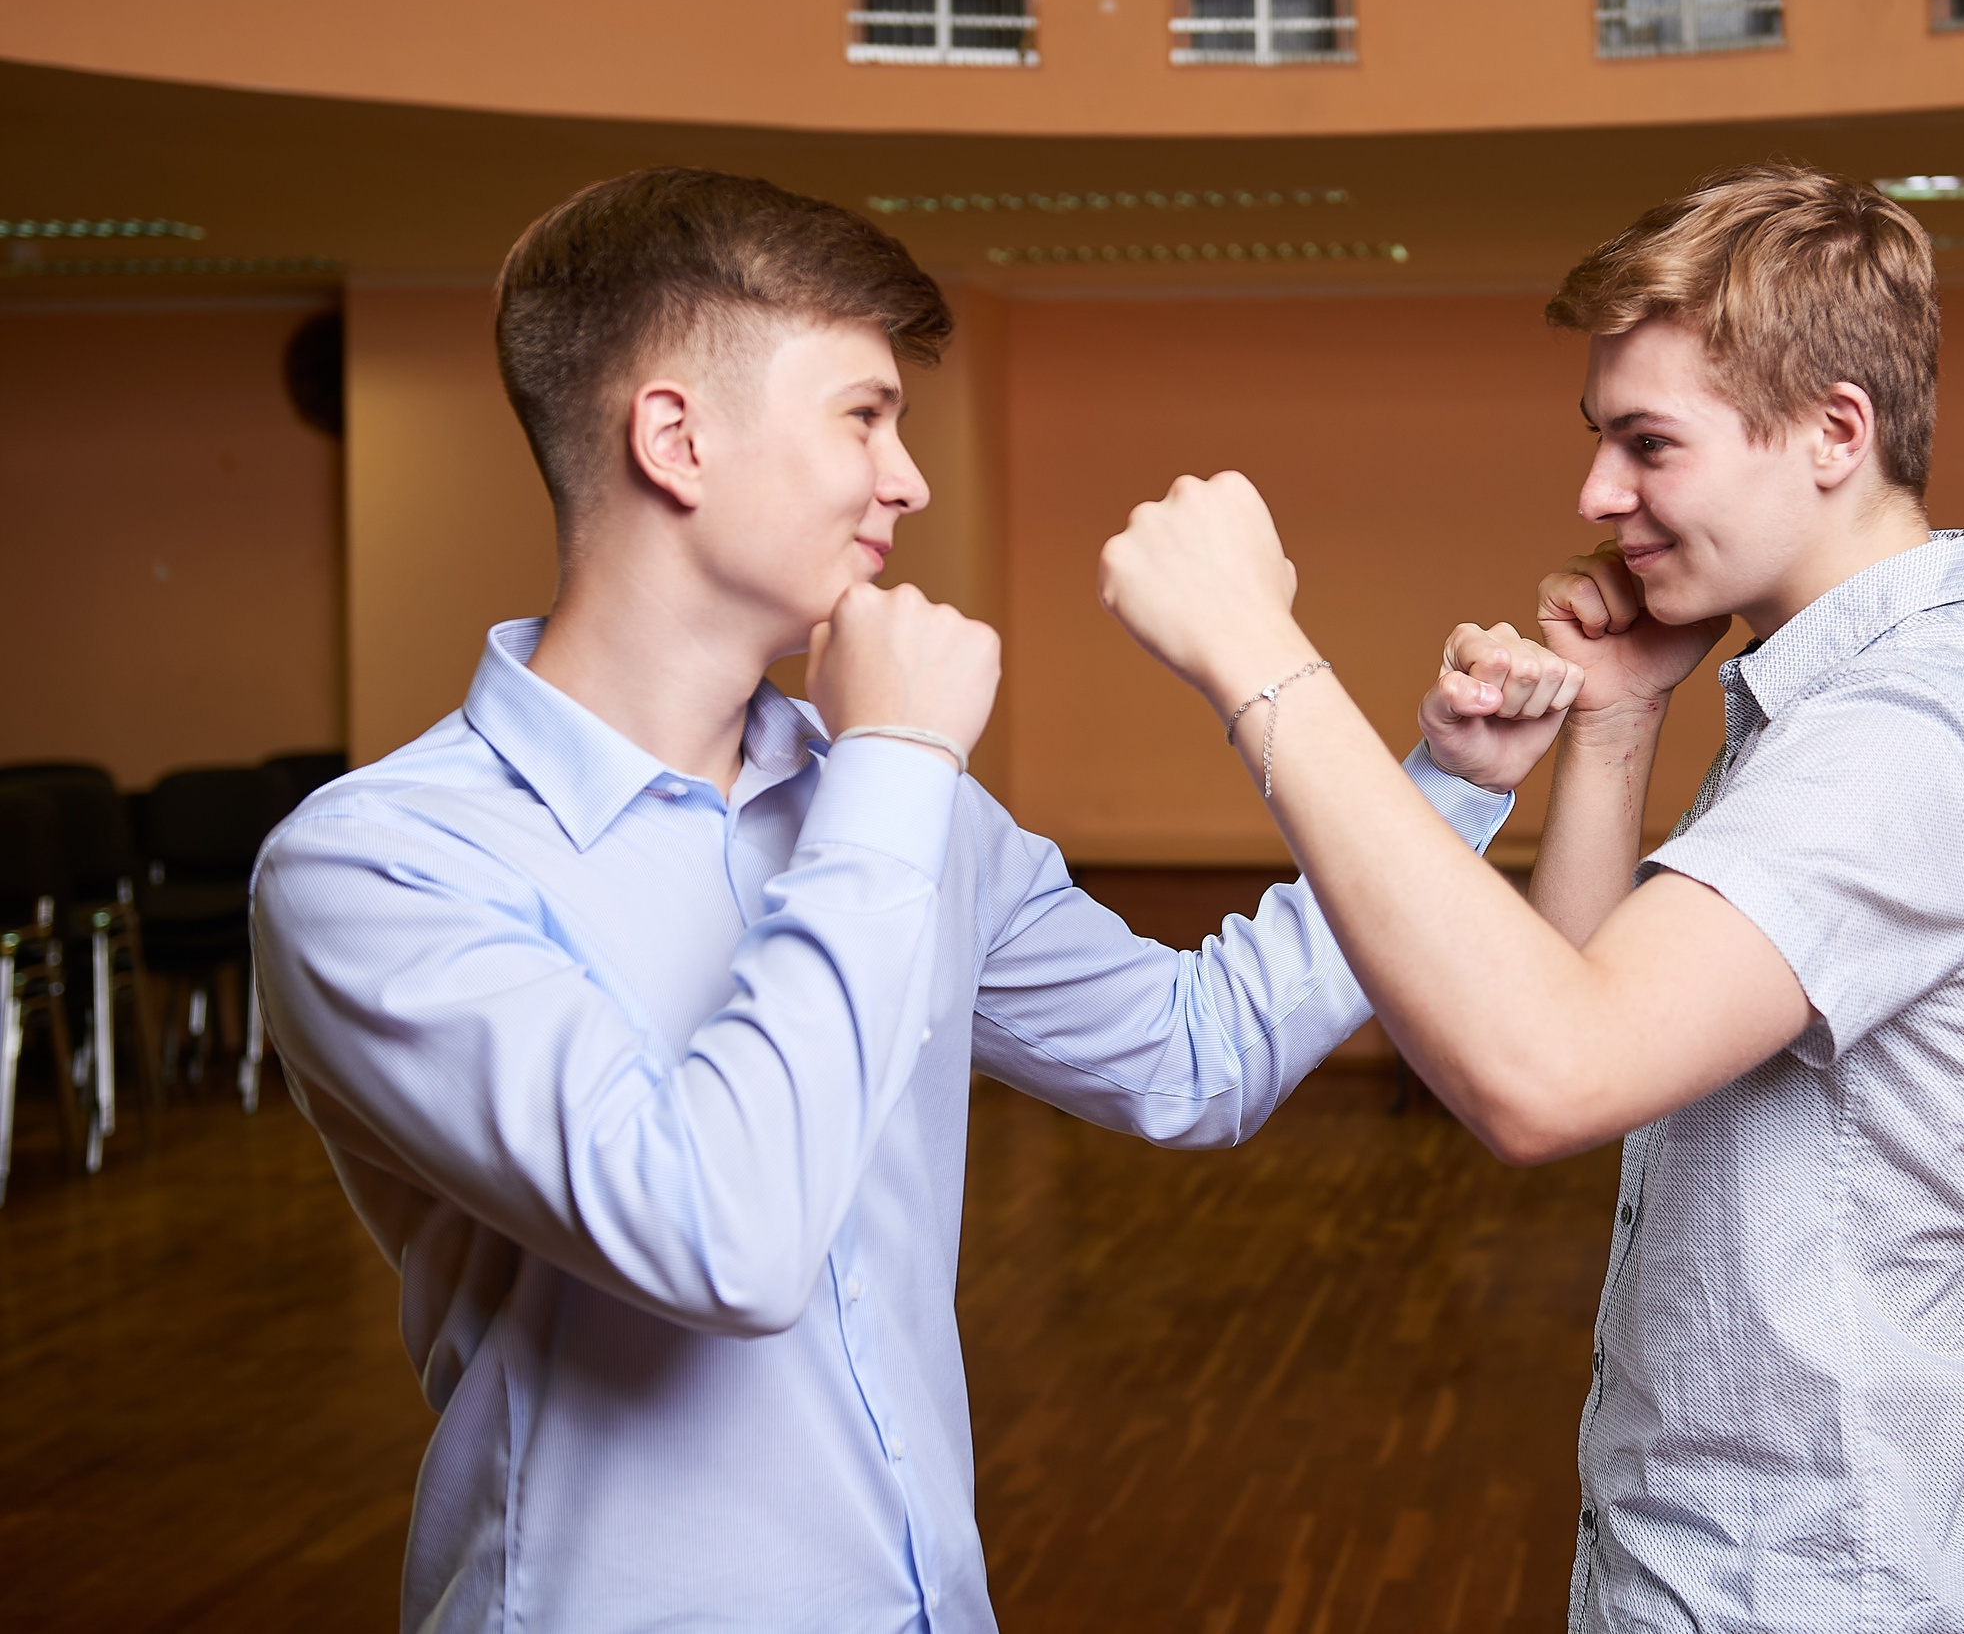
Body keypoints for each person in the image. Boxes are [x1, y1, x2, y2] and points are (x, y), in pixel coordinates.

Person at [248, 167, 1553, 1633]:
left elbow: (1194, 1057)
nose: (907, 479)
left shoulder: (889, 794)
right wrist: (891, 762)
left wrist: (1445, 786)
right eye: (863, 414)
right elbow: (720, 1237)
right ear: (673, 438)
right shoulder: (378, 864)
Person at [1096, 163, 1964, 1633]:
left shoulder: (1912, 736)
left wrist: (1255, 652)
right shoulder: (1817, 714)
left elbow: (1542, 1077)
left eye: (1649, 445)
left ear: (1833, 432)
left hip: (1831, 1596)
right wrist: (1619, 722)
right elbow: (1566, 1020)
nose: (1595, 495)